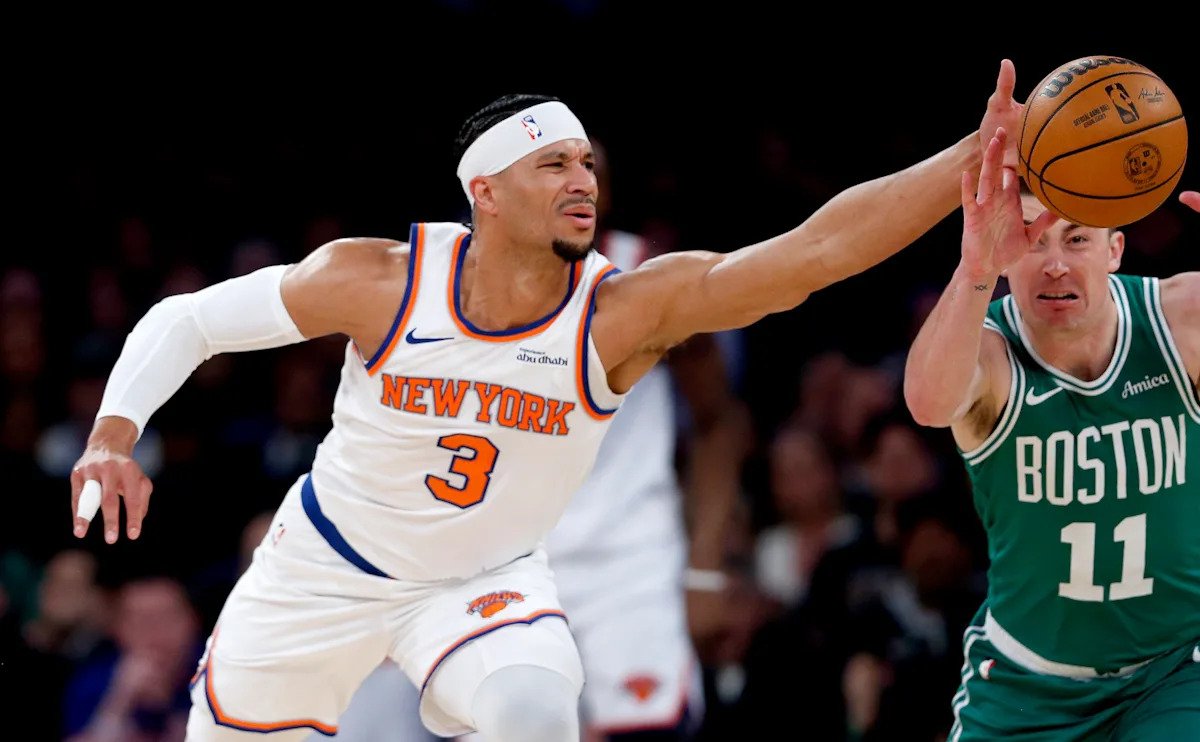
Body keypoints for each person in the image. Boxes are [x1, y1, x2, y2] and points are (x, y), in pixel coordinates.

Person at [71, 59, 1023, 741]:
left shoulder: (620, 313)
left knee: (533, 710)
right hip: (325, 568)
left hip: (482, 581)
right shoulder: (379, 281)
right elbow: (189, 320)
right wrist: (113, 435)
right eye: (554, 165)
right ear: (485, 191)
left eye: (587, 165)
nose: (583, 182)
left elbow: (812, 254)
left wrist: (970, 161)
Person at [904, 151, 1200, 741]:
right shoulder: (989, 351)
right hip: (1028, 683)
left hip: (1176, 668)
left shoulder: (1180, 319)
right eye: (1032, 240)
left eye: (1077, 239)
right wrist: (974, 268)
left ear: (1115, 250)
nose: (1056, 265)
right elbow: (929, 405)